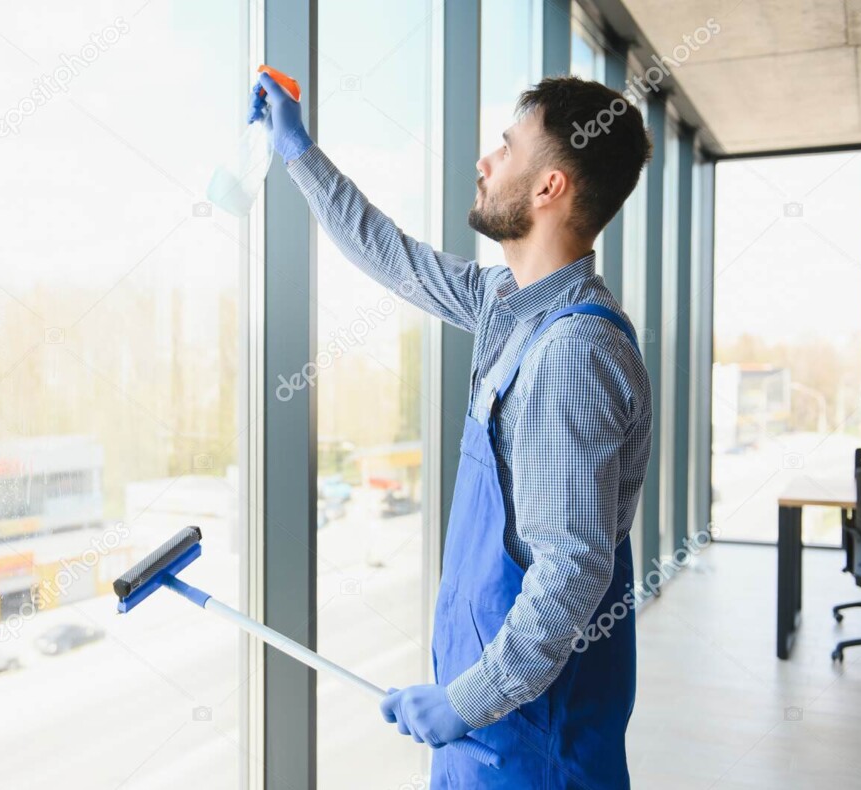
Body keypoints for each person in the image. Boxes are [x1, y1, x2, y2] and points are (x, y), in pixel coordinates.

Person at [250, 71, 653, 788]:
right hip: (498, 722)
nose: (485, 162)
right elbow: (394, 258)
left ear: (549, 187)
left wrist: (465, 703)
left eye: (506, 147)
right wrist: (297, 150)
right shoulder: (511, 306)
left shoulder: (571, 353)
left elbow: (570, 571)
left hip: (534, 744)